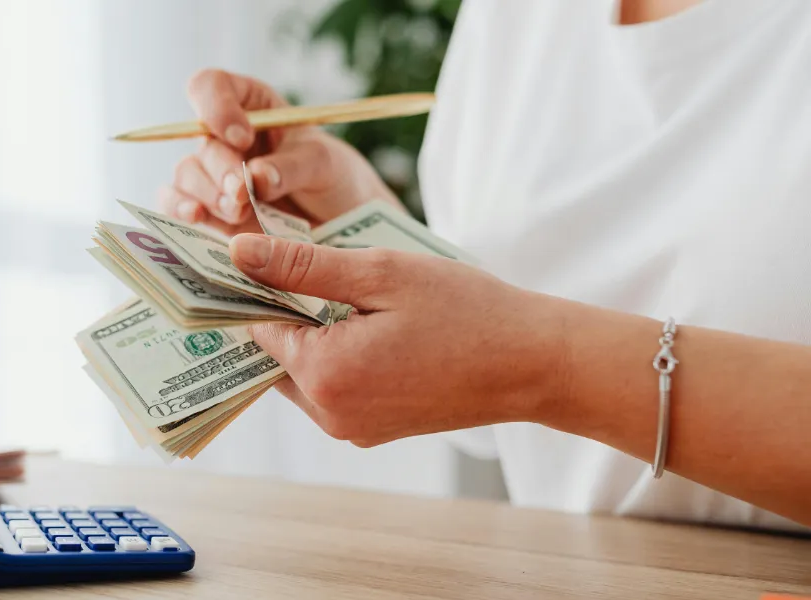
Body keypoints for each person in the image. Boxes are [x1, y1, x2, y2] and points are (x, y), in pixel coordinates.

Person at [156, 0, 811, 530]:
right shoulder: (512, 16)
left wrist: (538, 362)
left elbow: (521, 347)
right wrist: (351, 219)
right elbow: (510, 416)